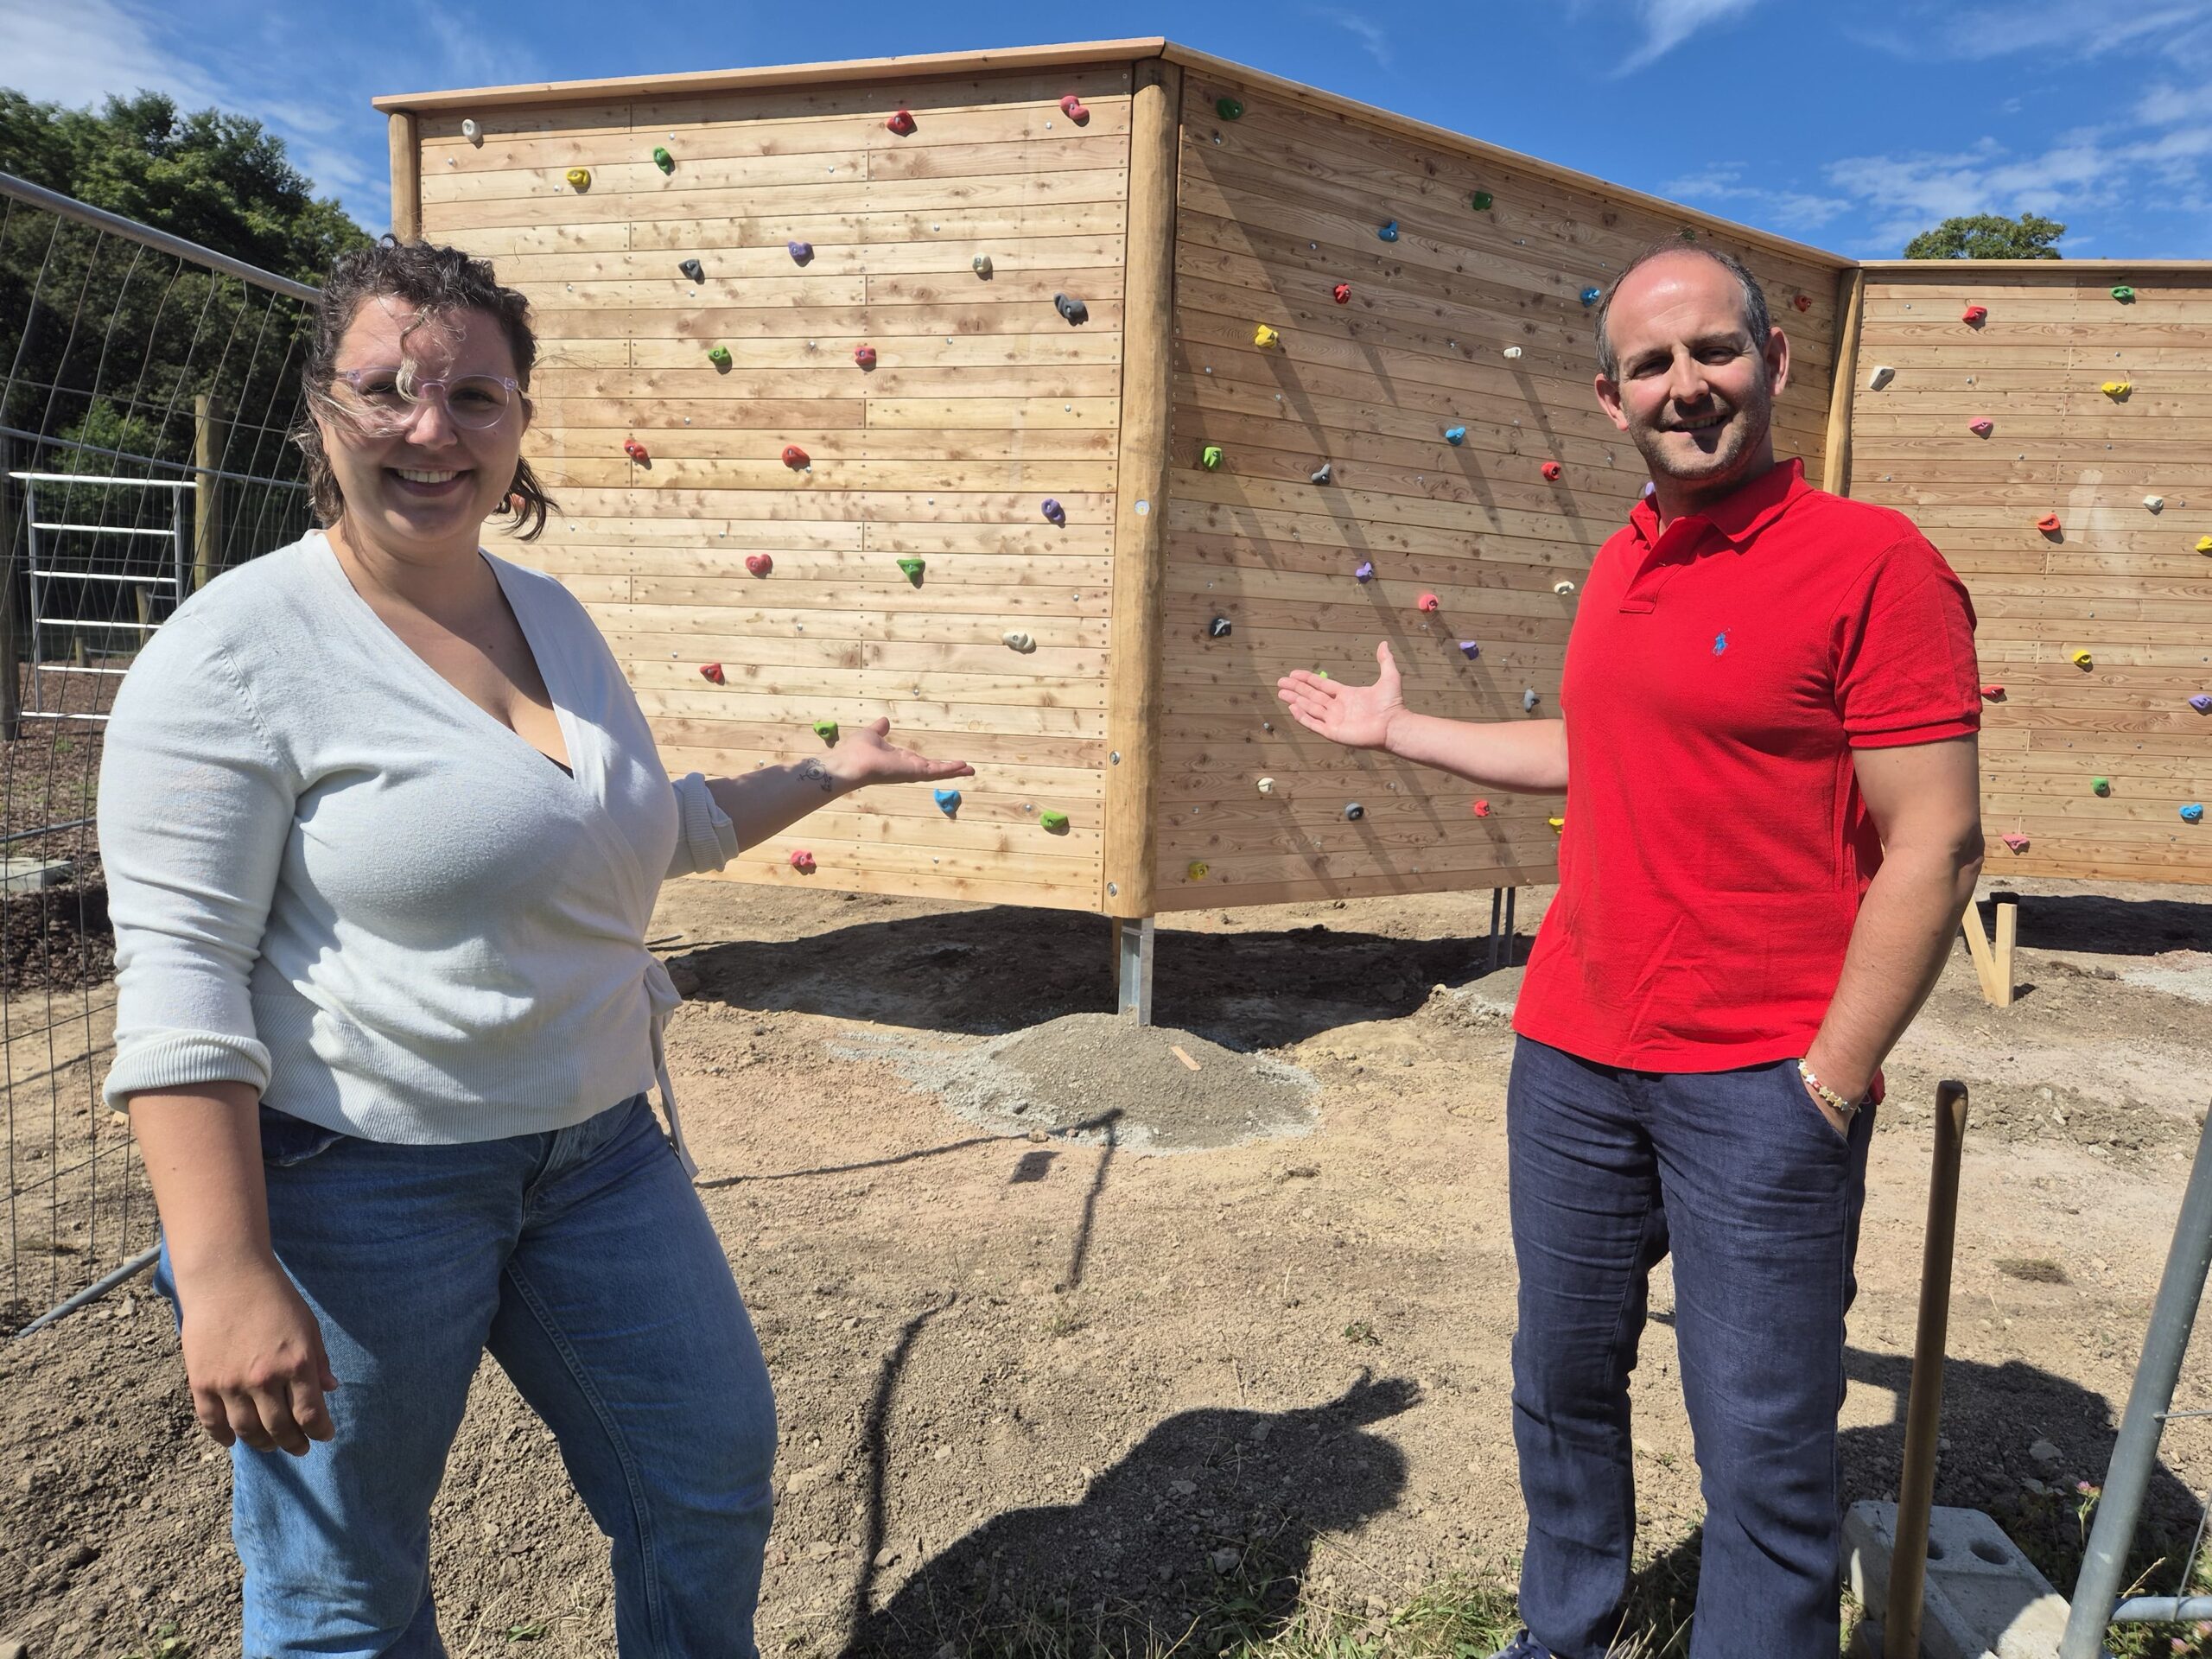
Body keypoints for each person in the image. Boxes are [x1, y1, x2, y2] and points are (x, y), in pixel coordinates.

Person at [99, 237, 971, 1658]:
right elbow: (183, 982)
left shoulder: (550, 616)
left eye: (475, 399)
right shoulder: (234, 653)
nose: (431, 431)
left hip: (601, 1154)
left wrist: (826, 773)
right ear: (321, 408)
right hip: (356, 1187)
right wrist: (226, 1268)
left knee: (704, 1479)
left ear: (519, 423)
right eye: (386, 390)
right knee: (345, 1601)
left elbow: (635, 830)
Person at [1278, 243, 1984, 1659]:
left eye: (1713, 351)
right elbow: (1593, 748)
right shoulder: (1621, 561)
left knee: (1764, 1451)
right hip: (1575, 1059)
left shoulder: (1874, 563)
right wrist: (1401, 732)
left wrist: (1832, 1080)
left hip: (1764, 1080)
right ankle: (1564, 1635)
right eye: (1651, 366)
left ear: (1775, 366)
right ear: (1610, 401)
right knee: (1562, 1385)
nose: (1687, 386)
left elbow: (1938, 844)